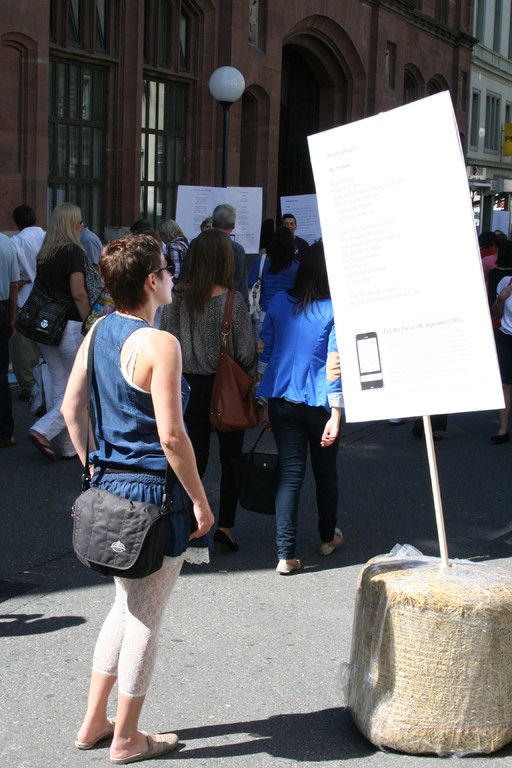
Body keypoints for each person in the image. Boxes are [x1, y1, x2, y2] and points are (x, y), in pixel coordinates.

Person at [61, 232, 214, 764]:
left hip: (110, 488)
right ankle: (125, 737)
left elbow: (69, 409)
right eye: (167, 272)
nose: (172, 278)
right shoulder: (159, 344)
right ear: (152, 280)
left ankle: (94, 722)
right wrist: (199, 499)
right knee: (146, 614)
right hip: (155, 497)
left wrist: (94, 466)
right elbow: (172, 437)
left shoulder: (99, 329)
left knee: (125, 607)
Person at [160, 229, 257, 553]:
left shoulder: (175, 297)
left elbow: (165, 340)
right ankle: (225, 527)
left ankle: (187, 522)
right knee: (231, 459)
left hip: (183, 387)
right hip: (223, 387)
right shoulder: (232, 300)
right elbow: (244, 353)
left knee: (190, 459)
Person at [257, 242, 343, 574]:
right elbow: (334, 364)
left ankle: (285, 554)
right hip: (320, 404)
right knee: (325, 472)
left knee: (290, 476)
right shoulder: (334, 309)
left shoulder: (279, 302)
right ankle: (326, 537)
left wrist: (263, 400)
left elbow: (266, 352)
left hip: (281, 401)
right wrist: (336, 413)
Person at [27, 202, 91, 461]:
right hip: (70, 326)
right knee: (82, 386)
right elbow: (78, 292)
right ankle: (43, 429)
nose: (82, 225)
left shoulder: (46, 252)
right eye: (79, 221)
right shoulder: (73, 251)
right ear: (71, 224)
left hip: (45, 326)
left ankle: (67, 446)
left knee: (59, 382)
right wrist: (90, 321)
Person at [10, 205, 45, 400]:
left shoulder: (15, 242)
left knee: (24, 347)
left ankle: (28, 384)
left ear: (17, 223)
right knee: (47, 342)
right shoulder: (49, 238)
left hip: (24, 296)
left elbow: (14, 276)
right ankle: (49, 382)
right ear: (36, 219)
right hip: (48, 298)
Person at [248, 225, 299, 340]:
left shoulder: (261, 262)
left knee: (263, 352)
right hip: (288, 315)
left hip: (264, 313)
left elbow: (251, 283)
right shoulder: (296, 266)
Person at [489, 255, 512, 444]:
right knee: (504, 384)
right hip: (506, 338)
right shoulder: (506, 282)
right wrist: (501, 299)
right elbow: (496, 313)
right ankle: (503, 430)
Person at [0, 233, 20, 448]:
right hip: (1, 309)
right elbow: (14, 285)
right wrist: (12, 317)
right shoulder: (6, 242)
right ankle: (5, 432)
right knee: (1, 374)